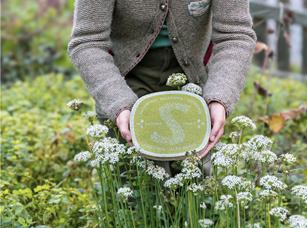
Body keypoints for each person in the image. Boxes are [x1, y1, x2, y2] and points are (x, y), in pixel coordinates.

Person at [67, 0, 256, 175]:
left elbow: (235, 35)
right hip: (123, 80)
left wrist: (219, 97)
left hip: (193, 80)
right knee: (134, 188)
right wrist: (118, 102)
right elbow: (87, 42)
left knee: (194, 193)